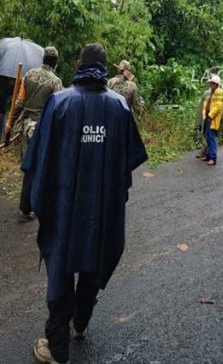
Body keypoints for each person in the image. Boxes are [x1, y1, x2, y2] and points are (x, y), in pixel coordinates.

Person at [21, 43, 147, 364]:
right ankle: (81, 323)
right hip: (102, 209)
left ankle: (57, 348)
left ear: (77, 64)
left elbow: (40, 158)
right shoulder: (119, 106)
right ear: (106, 69)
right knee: (94, 258)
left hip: (64, 207)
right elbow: (128, 158)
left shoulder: (60, 103)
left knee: (61, 268)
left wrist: (40, 200)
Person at [10, 46, 63, 223]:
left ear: (43, 59)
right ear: (55, 63)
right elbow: (58, 110)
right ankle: (34, 205)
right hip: (41, 127)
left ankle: (27, 206)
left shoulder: (29, 75)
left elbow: (19, 102)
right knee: (41, 166)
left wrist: (11, 123)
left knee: (28, 165)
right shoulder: (55, 82)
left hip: (25, 125)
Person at [200, 74, 223, 166]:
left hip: (212, 118)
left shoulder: (219, 92)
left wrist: (210, 115)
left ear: (216, 84)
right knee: (208, 138)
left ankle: (213, 158)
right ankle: (208, 155)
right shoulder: (212, 92)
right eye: (210, 83)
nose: (210, 85)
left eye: (212, 83)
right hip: (208, 117)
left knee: (212, 138)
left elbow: (218, 106)